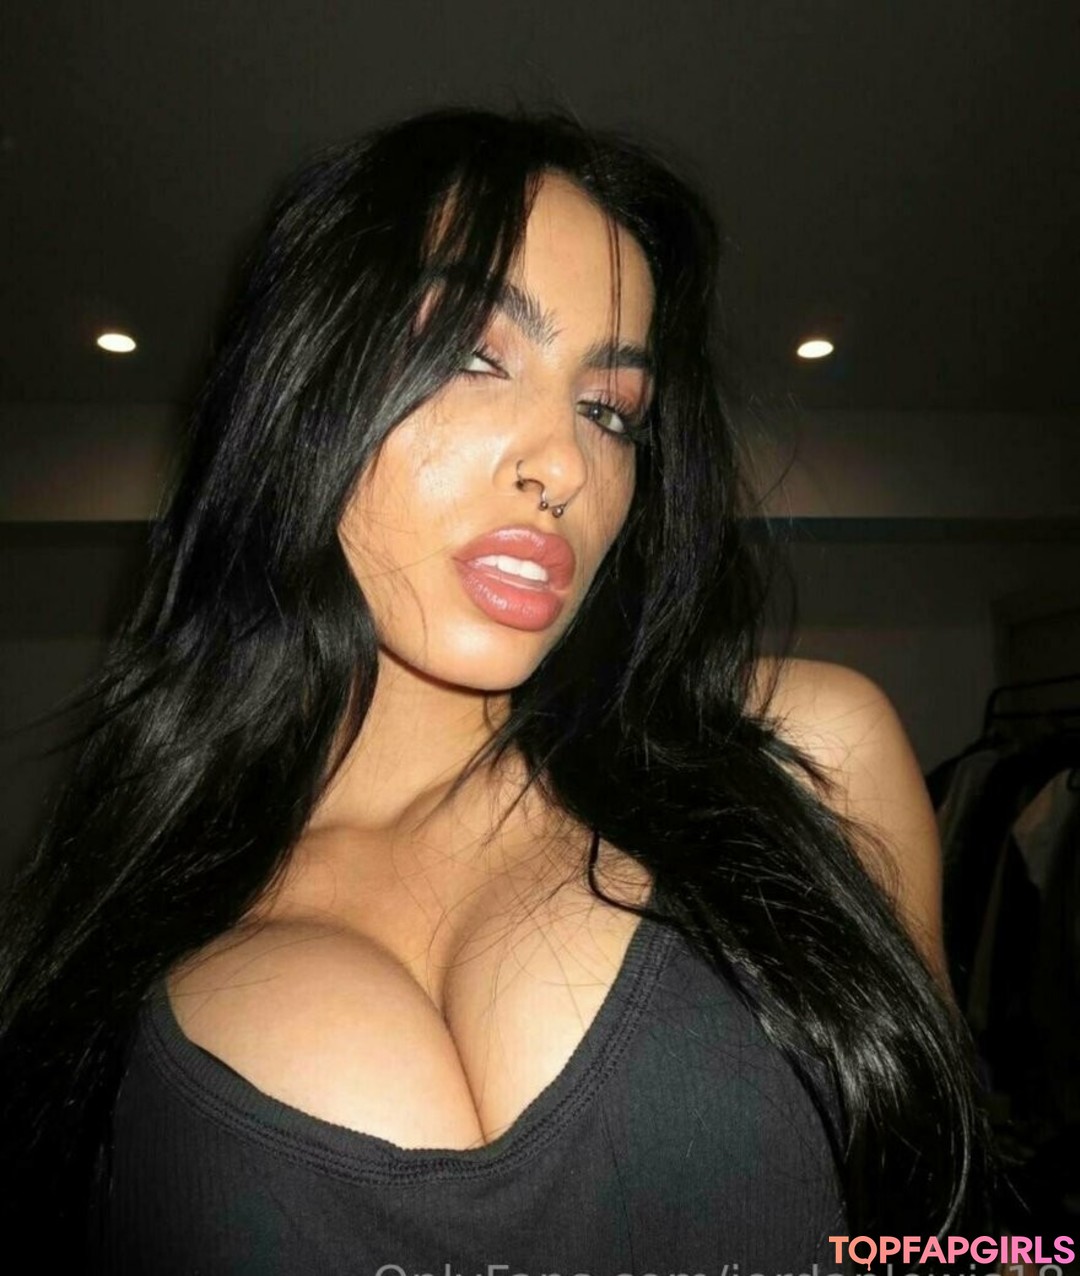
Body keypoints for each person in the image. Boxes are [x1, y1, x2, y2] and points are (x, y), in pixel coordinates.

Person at [0, 107, 997, 1272]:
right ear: (307, 381)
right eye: (476, 356)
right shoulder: (133, 910)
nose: (565, 464)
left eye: (610, 410)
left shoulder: (807, 755)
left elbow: (960, 1238)